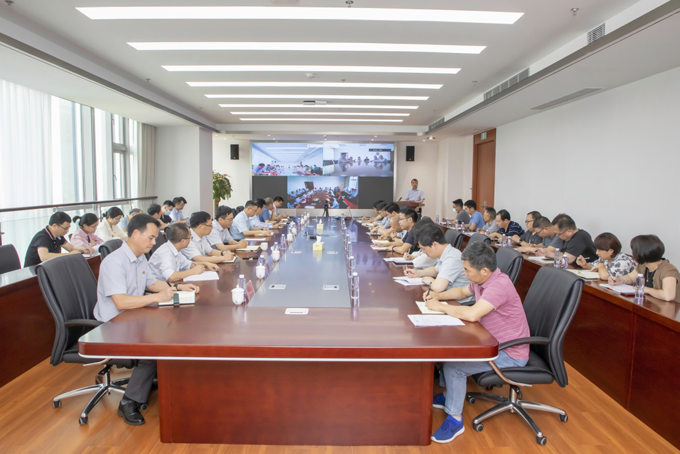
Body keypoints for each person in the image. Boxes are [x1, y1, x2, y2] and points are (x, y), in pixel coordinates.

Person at [93, 214, 199, 426]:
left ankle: (157, 378)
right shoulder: (114, 262)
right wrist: (157, 298)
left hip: (133, 315)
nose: (154, 242)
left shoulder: (140, 257)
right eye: (151, 237)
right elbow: (121, 302)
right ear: (135, 234)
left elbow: (151, 283)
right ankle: (129, 401)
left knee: (174, 327)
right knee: (155, 347)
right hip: (113, 324)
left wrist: (177, 288)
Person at [423, 242, 530, 443]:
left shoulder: (498, 286)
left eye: (467, 270)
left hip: (509, 352)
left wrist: (441, 307)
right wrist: (438, 296)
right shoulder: (484, 280)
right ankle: (449, 395)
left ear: (484, 270)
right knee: (450, 351)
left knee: (455, 367)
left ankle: (455, 419)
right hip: (491, 341)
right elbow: (462, 292)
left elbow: (472, 314)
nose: (465, 274)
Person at [404, 224, 472, 298]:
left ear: (434, 245)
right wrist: (417, 273)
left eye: (424, 248)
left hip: (457, 301)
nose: (423, 252)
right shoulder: (445, 253)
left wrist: (431, 282)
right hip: (446, 295)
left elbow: (438, 287)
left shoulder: (452, 258)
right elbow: (436, 270)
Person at [609, 235, 680, 302]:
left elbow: (668, 296)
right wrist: (620, 280)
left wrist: (646, 289)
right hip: (648, 304)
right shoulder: (643, 265)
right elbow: (630, 278)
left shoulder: (668, 270)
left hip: (667, 309)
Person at [149, 223, 218, 283]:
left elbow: (188, 264)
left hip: (170, 286)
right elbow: (171, 276)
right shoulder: (165, 253)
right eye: (190, 238)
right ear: (182, 241)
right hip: (159, 289)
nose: (191, 240)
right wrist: (193, 271)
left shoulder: (175, 249)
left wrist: (205, 264)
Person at [24, 211, 93, 267]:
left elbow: (71, 248)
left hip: (48, 268)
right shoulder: (42, 237)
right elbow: (44, 256)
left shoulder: (58, 236)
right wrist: (69, 254)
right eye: (65, 228)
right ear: (55, 226)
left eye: (68, 228)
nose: (67, 231)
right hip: (35, 272)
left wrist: (83, 249)